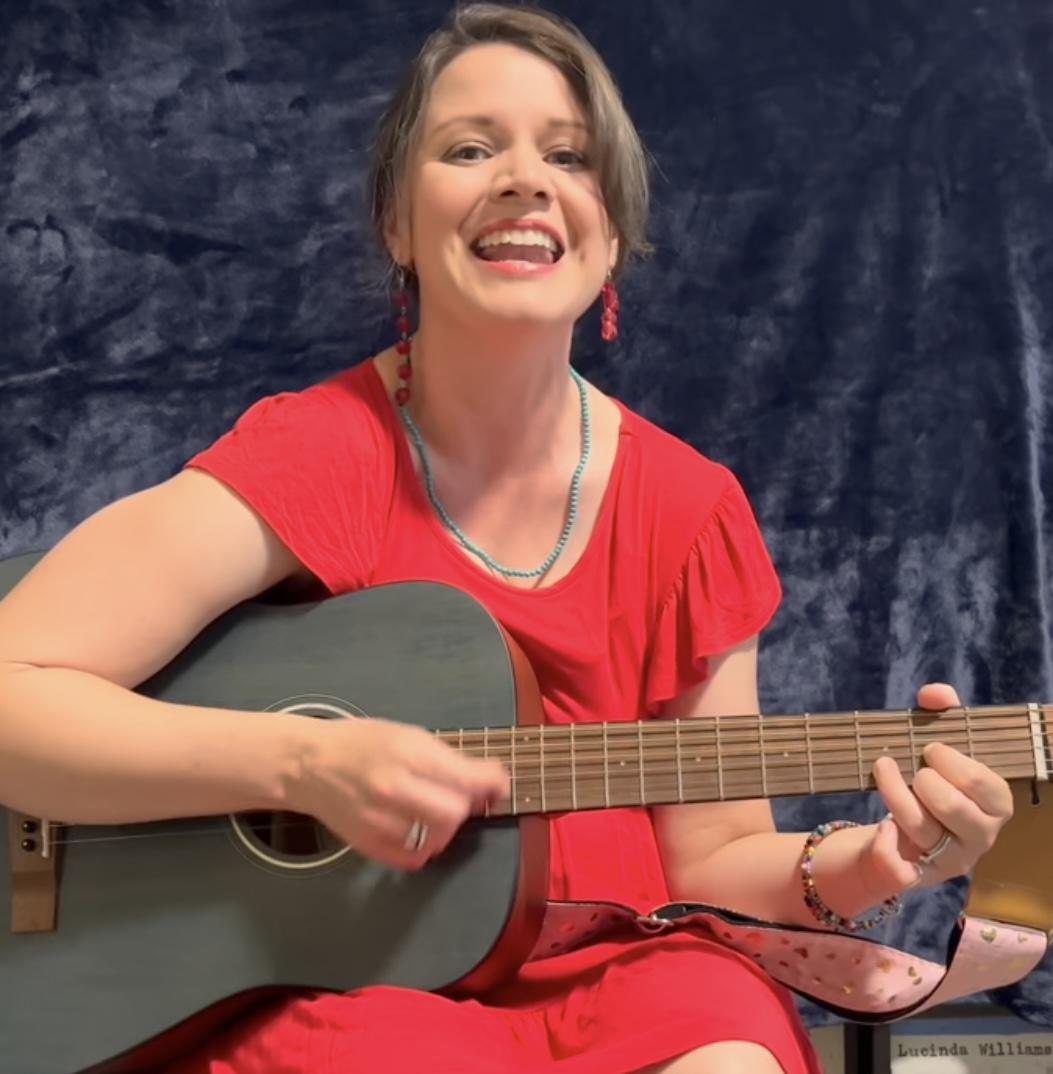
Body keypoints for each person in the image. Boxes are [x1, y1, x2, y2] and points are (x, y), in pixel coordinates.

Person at [0, 5, 1015, 1073]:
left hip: (615, 964)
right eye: (470, 147)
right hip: (361, 972)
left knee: (730, 1048)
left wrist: (875, 860)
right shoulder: (321, 453)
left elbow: (714, 858)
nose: (526, 177)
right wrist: (301, 761)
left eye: (568, 155)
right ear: (398, 223)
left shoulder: (690, 504)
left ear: (610, 231)